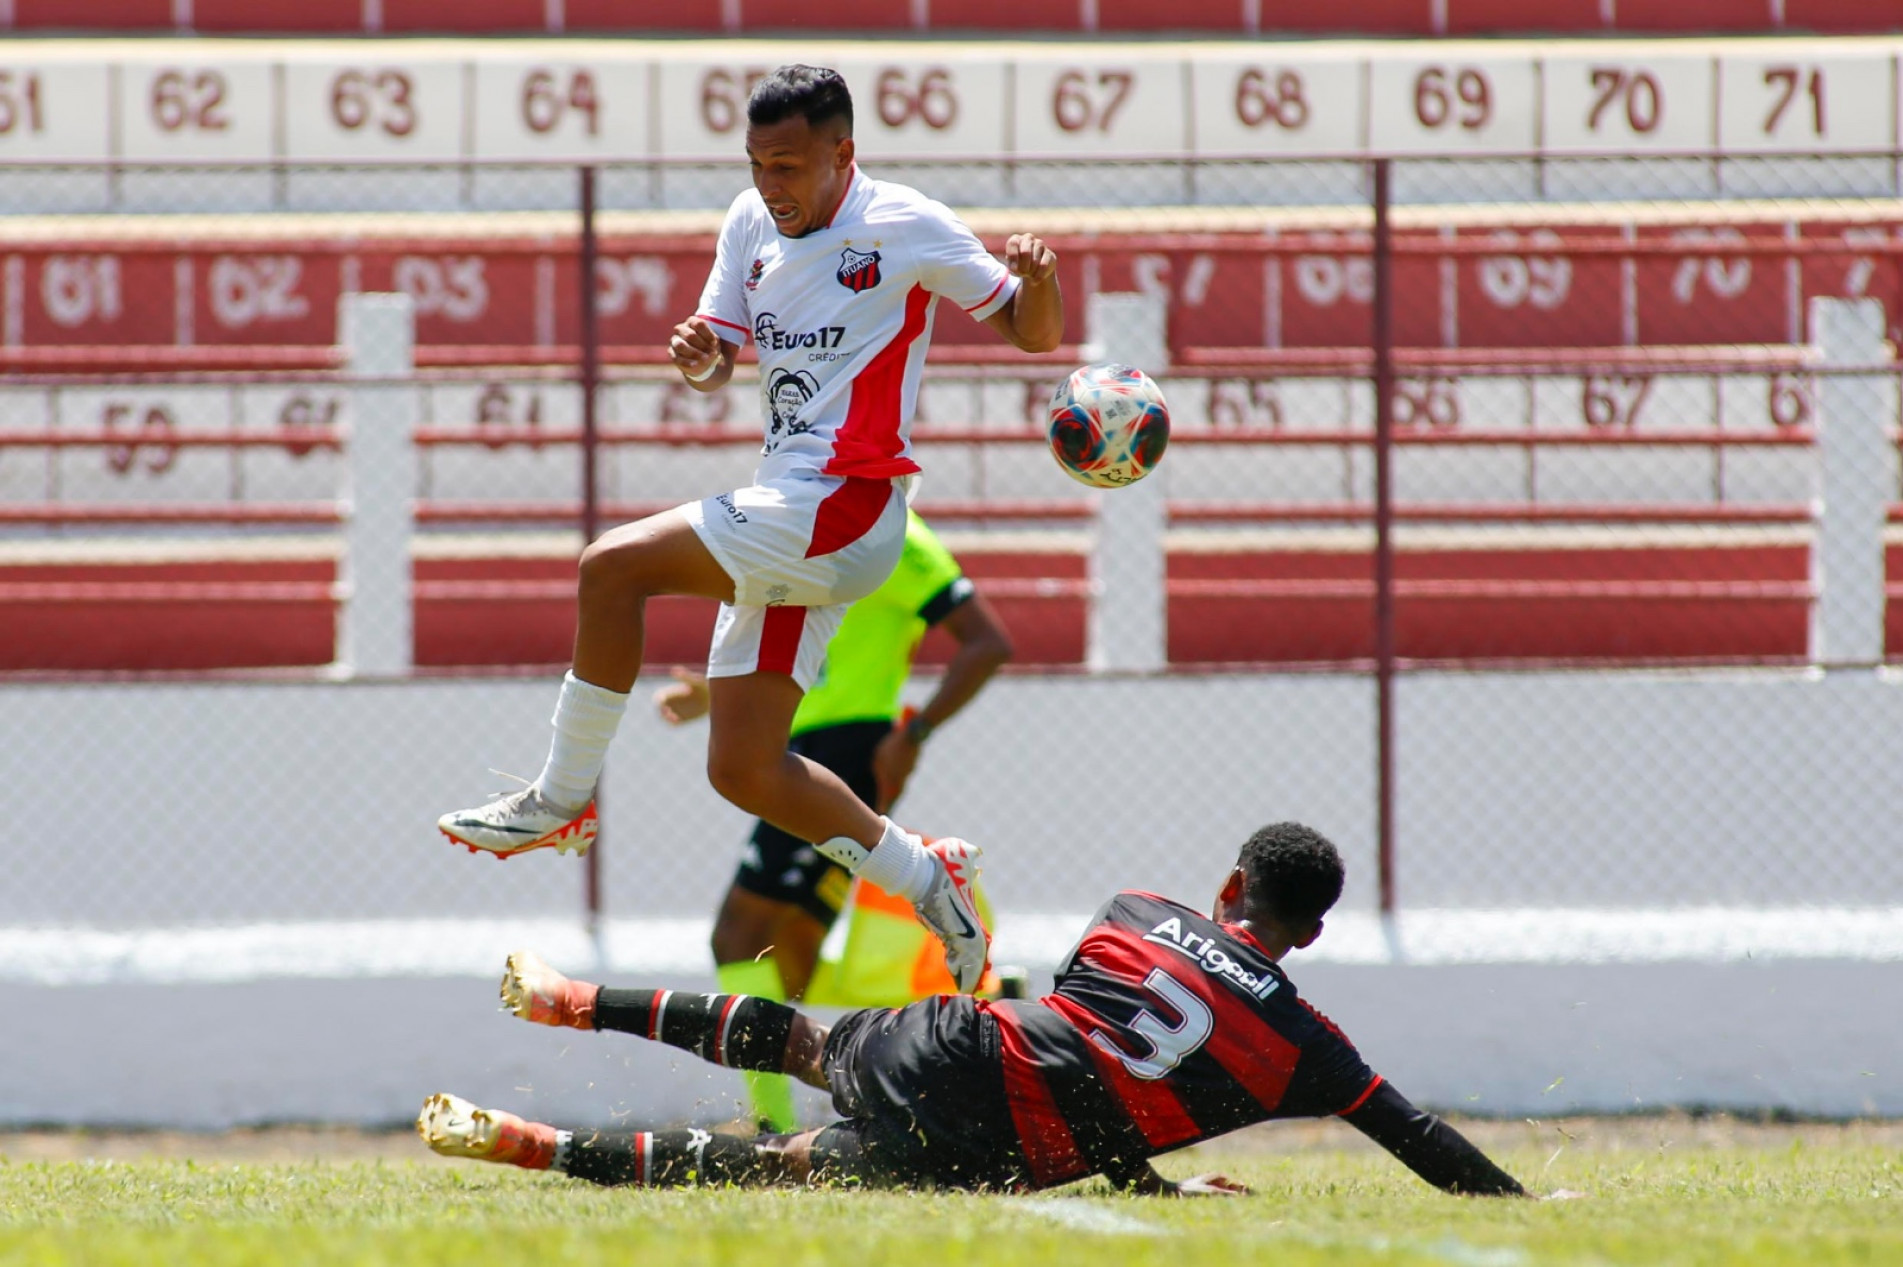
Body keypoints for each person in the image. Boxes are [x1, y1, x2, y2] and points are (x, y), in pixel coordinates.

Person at [435, 64, 1064, 996]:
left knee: (611, 568)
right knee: (743, 767)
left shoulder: (905, 223)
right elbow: (717, 356)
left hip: (845, 504)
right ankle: (935, 881)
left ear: (841, 152)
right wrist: (701, 360)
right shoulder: (749, 222)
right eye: (757, 163)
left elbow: (1033, 334)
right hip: (790, 505)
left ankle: (562, 799)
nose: (772, 184)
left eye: (789, 164)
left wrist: (1038, 280)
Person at [417, 823, 1531, 1198]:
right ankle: (541, 1147)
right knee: (781, 1162)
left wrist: (1148, 1176)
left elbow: (1079, 1039)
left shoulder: (1138, 908)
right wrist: (1524, 1197)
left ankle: (575, 1000)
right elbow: (1418, 1137)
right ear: (1313, 932)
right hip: (1006, 1142)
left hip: (969, 1043)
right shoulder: (1305, 1049)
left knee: (802, 1034)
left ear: (1231, 887)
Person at [654, 507, 1013, 1131]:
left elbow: (988, 643)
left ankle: (769, 1126)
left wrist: (914, 733)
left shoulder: (898, 537)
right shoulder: (823, 531)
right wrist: (711, 698)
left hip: (843, 755)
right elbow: (818, 655)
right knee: (787, 957)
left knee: (739, 936)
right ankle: (977, 1014)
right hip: (806, 748)